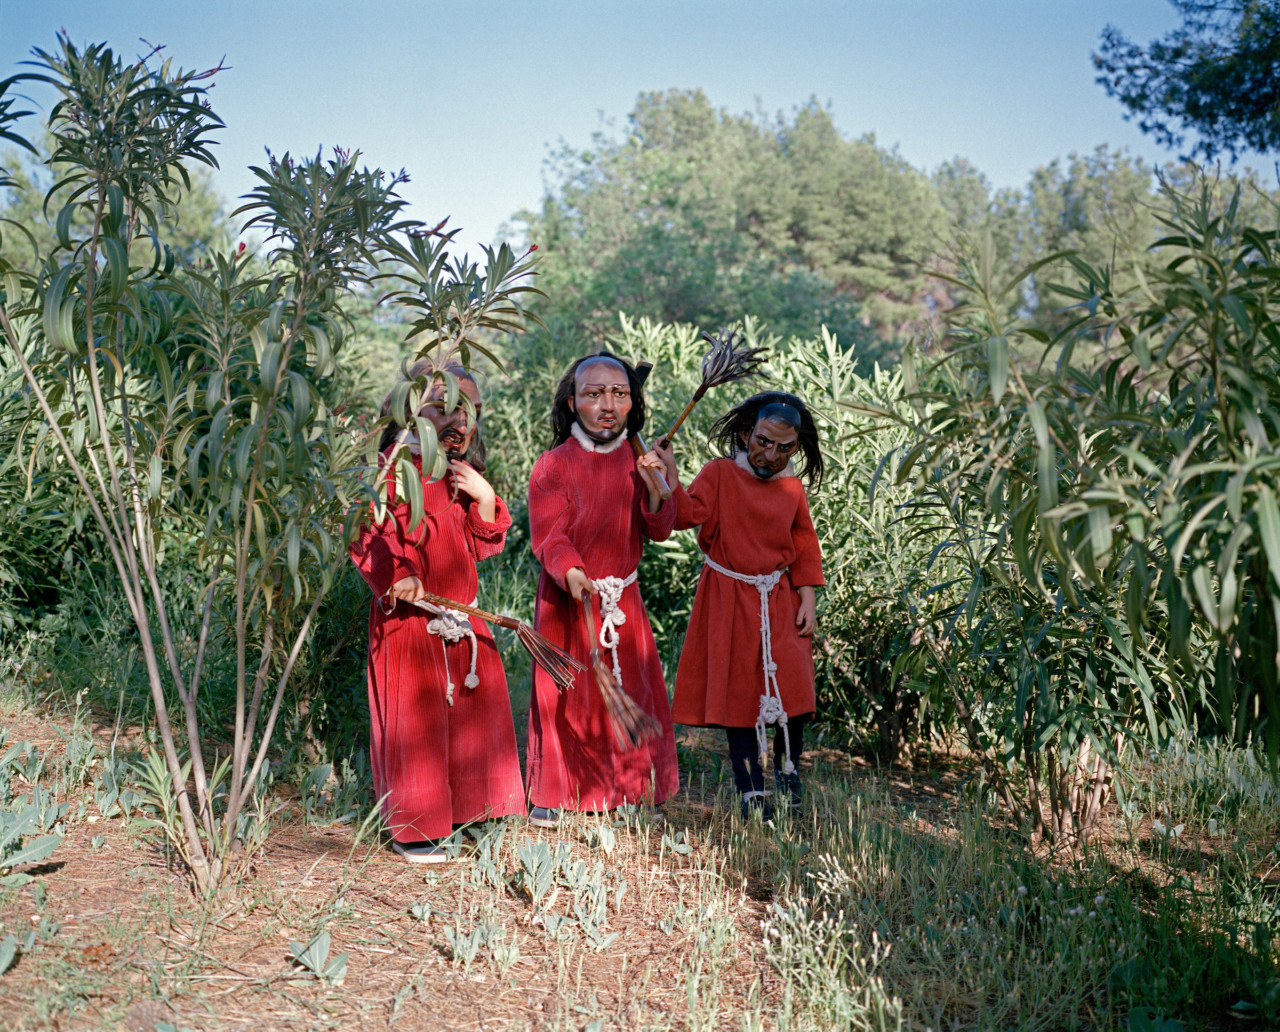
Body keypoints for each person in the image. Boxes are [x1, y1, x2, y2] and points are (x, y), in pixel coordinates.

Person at [350, 361, 525, 861]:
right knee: (418, 724)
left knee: (473, 723)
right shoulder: (390, 467)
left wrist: (486, 499)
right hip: (410, 622)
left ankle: (475, 809)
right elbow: (367, 533)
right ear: (411, 408)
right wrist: (396, 572)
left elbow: (481, 544)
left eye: (469, 409)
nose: (459, 419)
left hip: (462, 617)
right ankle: (419, 826)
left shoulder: (461, 473)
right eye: (445, 406)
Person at [525, 351, 680, 826]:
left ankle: (635, 791)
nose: (607, 404)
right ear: (573, 403)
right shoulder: (552, 465)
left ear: (633, 403)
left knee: (631, 688)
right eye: (594, 394)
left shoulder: (641, 459)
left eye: (619, 393)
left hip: (621, 601)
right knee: (563, 693)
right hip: (567, 598)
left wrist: (660, 489)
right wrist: (570, 569)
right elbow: (550, 533)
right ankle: (554, 791)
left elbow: (659, 529)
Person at [669, 391, 825, 820]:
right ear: (745, 434)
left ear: (796, 447)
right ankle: (751, 792)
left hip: (779, 597)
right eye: (762, 441)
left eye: (783, 447)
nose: (770, 454)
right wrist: (667, 476)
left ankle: (790, 779)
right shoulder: (720, 474)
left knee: (791, 691)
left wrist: (808, 595)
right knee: (739, 693)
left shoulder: (792, 488)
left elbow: (803, 542)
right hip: (728, 598)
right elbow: (686, 513)